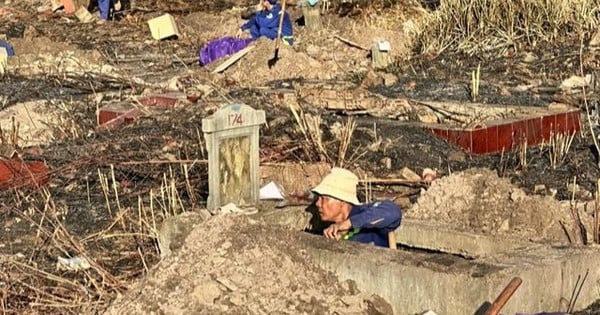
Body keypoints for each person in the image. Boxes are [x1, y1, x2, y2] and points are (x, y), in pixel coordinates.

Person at [312, 167, 402, 247]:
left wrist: (348, 224)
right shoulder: (329, 231)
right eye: (318, 198)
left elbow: (393, 212)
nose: (318, 203)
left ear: (342, 201)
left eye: (324, 199)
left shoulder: (364, 213)